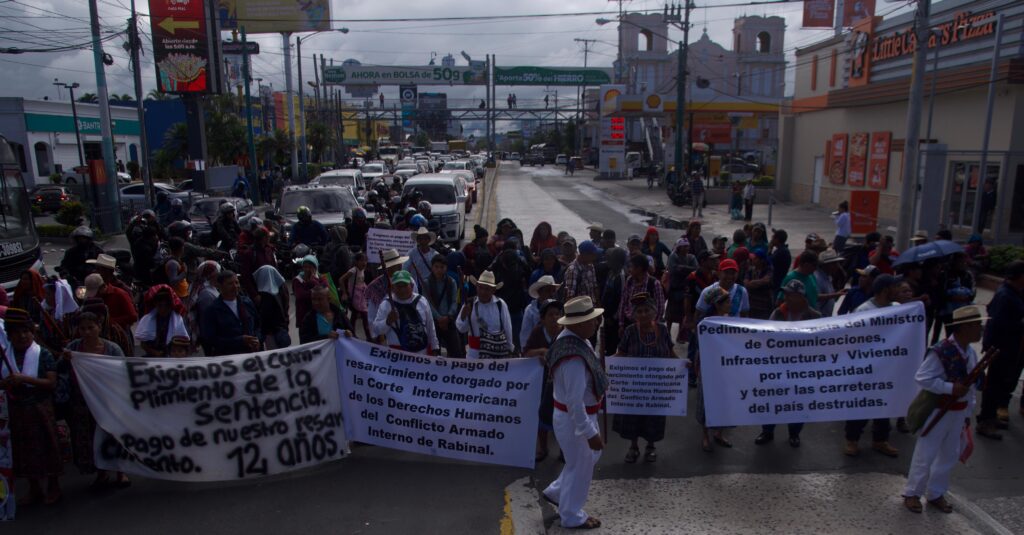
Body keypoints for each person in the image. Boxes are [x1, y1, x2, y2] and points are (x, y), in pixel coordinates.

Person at [902, 305, 987, 514]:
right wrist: (949, 388)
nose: (980, 330)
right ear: (963, 328)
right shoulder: (942, 351)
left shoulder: (969, 352)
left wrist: (968, 412)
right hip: (939, 410)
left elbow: (971, 388)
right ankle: (913, 492)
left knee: (949, 454)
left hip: (958, 411)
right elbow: (922, 378)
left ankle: (936, 492)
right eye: (976, 325)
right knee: (926, 453)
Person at [542, 296, 606, 530]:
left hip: (577, 416)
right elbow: (574, 403)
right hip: (575, 418)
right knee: (581, 466)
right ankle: (571, 514)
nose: (595, 323)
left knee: (581, 462)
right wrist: (589, 433)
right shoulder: (573, 360)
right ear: (577, 324)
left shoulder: (574, 340)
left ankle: (558, 492)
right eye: (591, 321)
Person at [60, 311, 129, 488]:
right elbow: (59, 368)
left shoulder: (112, 348)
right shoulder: (74, 348)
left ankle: (121, 472)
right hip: (83, 402)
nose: (87, 332)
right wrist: (66, 359)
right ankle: (101, 472)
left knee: (114, 435)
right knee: (91, 438)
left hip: (108, 400)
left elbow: (122, 372)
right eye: (82, 328)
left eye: (91, 327)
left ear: (99, 327)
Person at [2, 308, 62, 505]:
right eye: (17, 332)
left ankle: (53, 486)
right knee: (23, 449)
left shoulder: (42, 354)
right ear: (9, 336)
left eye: (26, 331)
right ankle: (34, 487)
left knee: (47, 446)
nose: (22, 336)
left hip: (39, 407)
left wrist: (24, 379)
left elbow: (51, 382)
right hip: (15, 409)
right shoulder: (5, 357)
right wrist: (8, 383)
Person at [756, 280, 822, 448]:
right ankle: (767, 431)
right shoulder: (778, 313)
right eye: (785, 294)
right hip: (777, 367)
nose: (786, 298)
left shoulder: (814, 317)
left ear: (801, 297)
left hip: (802, 370)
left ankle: (794, 434)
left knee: (798, 403)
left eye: (790, 295)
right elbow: (766, 339)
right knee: (772, 401)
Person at [613, 293, 677, 463]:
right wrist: (606, 365)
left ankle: (650, 447)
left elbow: (671, 353)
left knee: (653, 416)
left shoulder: (662, 330)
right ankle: (633, 447)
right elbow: (621, 353)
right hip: (634, 385)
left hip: (656, 385)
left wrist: (683, 365)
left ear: (654, 312)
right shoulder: (630, 331)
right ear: (634, 314)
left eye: (646, 310)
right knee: (633, 416)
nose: (642, 314)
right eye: (639, 311)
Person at [844, 274, 903, 457]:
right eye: (895, 287)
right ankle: (852, 440)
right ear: (885, 290)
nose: (898, 290)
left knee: (884, 404)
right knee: (861, 403)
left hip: (888, 367)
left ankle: (880, 440)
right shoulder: (864, 311)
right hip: (866, 367)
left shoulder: (898, 309)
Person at [694, 258, 749, 451]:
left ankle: (719, 432)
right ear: (719, 273)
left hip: (730, 354)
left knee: (726, 394)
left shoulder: (742, 292)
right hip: (709, 356)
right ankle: (705, 434)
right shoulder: (708, 293)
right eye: (726, 272)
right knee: (706, 395)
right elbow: (697, 320)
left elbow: (745, 319)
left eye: (733, 272)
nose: (729, 276)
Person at [975, 261, 1024, 439]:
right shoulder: (1005, 295)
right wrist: (1020, 325)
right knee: (994, 384)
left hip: (1011, 347)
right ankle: (985, 421)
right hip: (1000, 348)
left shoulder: (1014, 293)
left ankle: (991, 416)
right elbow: (998, 322)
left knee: (1002, 383)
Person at [524, 299, 564, 462]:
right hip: (541, 381)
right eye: (550, 315)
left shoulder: (565, 333)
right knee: (542, 412)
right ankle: (543, 447)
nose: (554, 318)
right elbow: (526, 352)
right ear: (542, 318)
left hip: (561, 380)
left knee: (562, 416)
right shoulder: (537, 332)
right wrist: (539, 352)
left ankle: (564, 449)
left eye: (557, 314)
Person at [372, 270, 437, 354]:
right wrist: (387, 321)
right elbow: (376, 330)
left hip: (422, 353)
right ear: (392, 287)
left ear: (412, 285)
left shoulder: (422, 301)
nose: (402, 290)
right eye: (398, 286)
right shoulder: (386, 305)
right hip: (398, 355)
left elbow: (430, 326)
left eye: (405, 285)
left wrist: (435, 347)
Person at [200, 270, 261, 356]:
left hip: (250, 357)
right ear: (220, 286)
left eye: (237, 282)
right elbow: (210, 340)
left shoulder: (247, 303)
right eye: (230, 284)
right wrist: (239, 340)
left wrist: (257, 339)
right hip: (228, 359)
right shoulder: (212, 310)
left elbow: (258, 326)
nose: (235, 286)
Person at [457, 271, 515, 359]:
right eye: (480, 288)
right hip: (474, 356)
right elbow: (461, 329)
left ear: (493, 290)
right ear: (476, 287)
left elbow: (507, 328)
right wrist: (463, 315)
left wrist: (510, 349)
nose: (483, 292)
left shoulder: (500, 304)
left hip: (497, 355)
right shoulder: (470, 303)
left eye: (487, 289)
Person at [424, 255, 462, 358]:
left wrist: (448, 317)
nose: (439, 270)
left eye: (442, 267)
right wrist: (439, 318)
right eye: (436, 267)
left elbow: (455, 302)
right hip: (433, 323)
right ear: (432, 267)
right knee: (434, 353)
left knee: (456, 352)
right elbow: (427, 304)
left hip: (449, 321)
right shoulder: (426, 283)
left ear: (446, 268)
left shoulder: (452, 282)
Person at [135, 285, 189, 358]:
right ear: (155, 305)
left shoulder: (178, 321)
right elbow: (143, 344)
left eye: (166, 306)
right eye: (160, 306)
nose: (163, 309)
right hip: (152, 356)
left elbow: (183, 345)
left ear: (171, 305)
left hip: (172, 357)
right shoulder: (147, 320)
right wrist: (155, 353)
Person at [366, 249, 413, 327]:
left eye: (399, 264)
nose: (400, 266)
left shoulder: (409, 280)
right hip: (387, 330)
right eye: (395, 265)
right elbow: (372, 316)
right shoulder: (375, 286)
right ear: (387, 268)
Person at [618, 255, 665, 329]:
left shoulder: (654, 284)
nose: (629, 269)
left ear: (639, 268)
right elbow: (623, 303)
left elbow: (660, 308)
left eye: (631, 267)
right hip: (630, 323)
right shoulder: (629, 281)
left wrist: (653, 325)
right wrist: (621, 323)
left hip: (647, 325)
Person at [292, 255, 337, 330]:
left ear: (315, 268)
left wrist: (313, 281)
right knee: (306, 337)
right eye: (305, 267)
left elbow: (325, 292)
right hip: (304, 313)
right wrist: (316, 291)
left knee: (322, 336)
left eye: (310, 267)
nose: (307, 269)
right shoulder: (298, 280)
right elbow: (300, 295)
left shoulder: (321, 278)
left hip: (320, 314)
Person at [254, 265, 291, 349]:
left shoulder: (267, 295)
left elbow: (265, 317)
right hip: (282, 329)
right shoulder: (282, 288)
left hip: (271, 334)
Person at [521, 275, 561, 350]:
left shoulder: (559, 309)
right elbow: (525, 335)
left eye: (553, 291)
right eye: (548, 291)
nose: (551, 294)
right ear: (539, 292)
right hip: (536, 352)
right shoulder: (530, 310)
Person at [339, 252, 372, 340]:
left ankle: (352, 334)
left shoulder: (362, 270)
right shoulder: (353, 270)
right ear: (356, 261)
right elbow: (341, 280)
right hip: (355, 296)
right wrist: (344, 293)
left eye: (365, 260)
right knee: (364, 314)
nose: (364, 263)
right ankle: (368, 337)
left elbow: (361, 282)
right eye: (361, 260)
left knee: (354, 315)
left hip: (361, 295)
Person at [563, 241, 600, 306]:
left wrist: (598, 303)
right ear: (584, 254)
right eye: (592, 255)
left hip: (592, 306)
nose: (595, 257)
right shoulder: (573, 270)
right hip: (580, 309)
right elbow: (569, 297)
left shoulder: (590, 266)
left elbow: (595, 286)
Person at [815, 249, 847, 316]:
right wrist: (834, 295)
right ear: (825, 265)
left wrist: (837, 294)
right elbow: (815, 297)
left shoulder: (828, 277)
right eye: (834, 264)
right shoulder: (818, 279)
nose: (837, 266)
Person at [745, 248, 774, 319]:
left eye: (755, 258)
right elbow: (746, 283)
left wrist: (753, 282)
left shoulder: (768, 269)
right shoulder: (750, 269)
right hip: (752, 305)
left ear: (761, 260)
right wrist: (759, 282)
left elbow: (766, 280)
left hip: (764, 306)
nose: (752, 260)